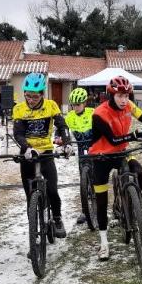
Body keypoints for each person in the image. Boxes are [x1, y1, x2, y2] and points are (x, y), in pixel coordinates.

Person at [88, 76, 142, 261]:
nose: (124, 100)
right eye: (119, 95)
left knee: (140, 173)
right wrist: (134, 135)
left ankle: (134, 201)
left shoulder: (128, 106)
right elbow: (112, 140)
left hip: (120, 153)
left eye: (126, 95)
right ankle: (104, 243)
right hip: (101, 156)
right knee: (101, 201)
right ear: (111, 95)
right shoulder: (99, 114)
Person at [12, 72, 70, 238]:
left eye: (35, 97)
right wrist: (28, 147)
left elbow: (62, 125)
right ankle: (34, 234)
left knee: (52, 190)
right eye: (27, 96)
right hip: (28, 154)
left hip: (46, 153)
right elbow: (18, 133)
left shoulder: (51, 105)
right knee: (30, 197)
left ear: (42, 94)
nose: (30, 100)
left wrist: (66, 143)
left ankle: (57, 219)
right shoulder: (19, 109)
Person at [65, 87, 95, 225]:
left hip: (95, 148)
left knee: (96, 180)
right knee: (84, 181)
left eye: (78, 104)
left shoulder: (92, 113)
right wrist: (63, 140)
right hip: (81, 150)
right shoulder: (69, 117)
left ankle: (98, 205)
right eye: (73, 105)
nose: (75, 107)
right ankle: (85, 210)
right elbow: (64, 132)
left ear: (84, 103)